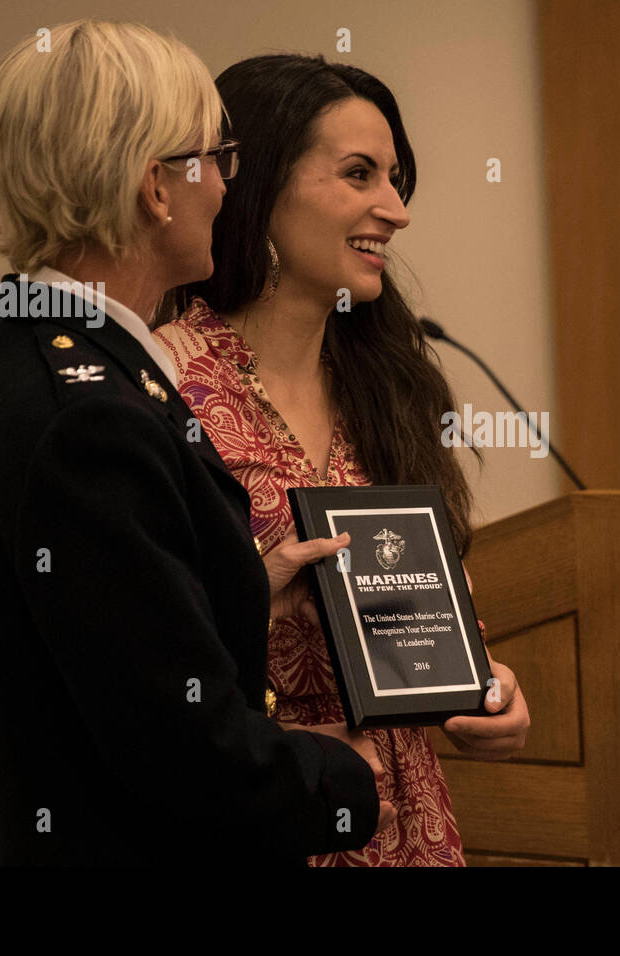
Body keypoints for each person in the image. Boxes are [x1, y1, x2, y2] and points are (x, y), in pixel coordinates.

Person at [0, 20, 389, 866]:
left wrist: (240, 589)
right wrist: (345, 778)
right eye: (215, 159)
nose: (223, 188)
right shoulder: (88, 418)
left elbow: (79, 661)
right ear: (157, 187)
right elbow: (182, 754)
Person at [153, 54, 531, 866]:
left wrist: (486, 686)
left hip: (405, 820)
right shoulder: (163, 387)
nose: (394, 210)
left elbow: (415, 625)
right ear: (256, 189)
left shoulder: (387, 381)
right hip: (260, 815)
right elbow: (146, 659)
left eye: (396, 180)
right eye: (358, 174)